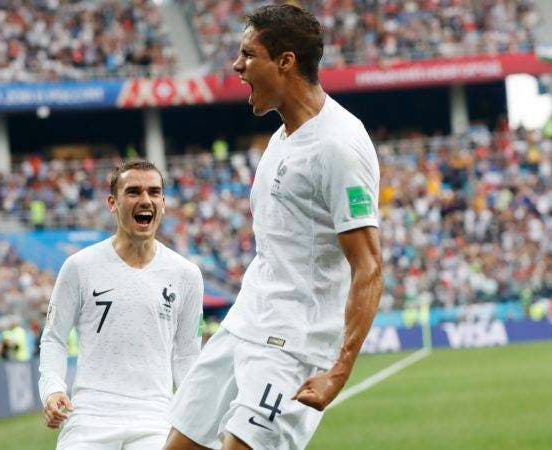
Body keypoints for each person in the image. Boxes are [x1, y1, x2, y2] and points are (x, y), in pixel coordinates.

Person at [164, 5, 383, 450]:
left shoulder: (338, 145)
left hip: (294, 345)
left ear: (285, 61)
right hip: (246, 321)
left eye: (248, 54)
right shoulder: (282, 136)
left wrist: (337, 372)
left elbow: (369, 266)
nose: (236, 65)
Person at [39, 160, 204, 449]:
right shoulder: (79, 266)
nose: (145, 200)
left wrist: (196, 414)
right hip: (89, 418)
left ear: (163, 203)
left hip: (154, 419)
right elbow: (54, 338)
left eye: (154, 192)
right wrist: (52, 390)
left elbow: (187, 355)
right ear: (113, 203)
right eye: (133, 192)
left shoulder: (186, 274)